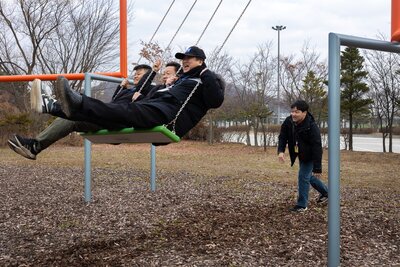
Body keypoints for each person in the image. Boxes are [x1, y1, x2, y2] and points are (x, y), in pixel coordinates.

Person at [7, 60, 174, 160]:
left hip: (123, 122)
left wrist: (152, 72)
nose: (136, 76)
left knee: (88, 107)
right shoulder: (130, 89)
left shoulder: (149, 88)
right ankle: (35, 146)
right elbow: (114, 103)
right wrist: (121, 89)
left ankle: (54, 105)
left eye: (140, 74)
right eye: (135, 74)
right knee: (68, 119)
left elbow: (147, 103)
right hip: (109, 118)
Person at [277, 100, 328, 212]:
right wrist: (281, 151)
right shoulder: (289, 121)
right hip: (299, 152)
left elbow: (317, 147)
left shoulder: (311, 126)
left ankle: (302, 205)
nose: (293, 114)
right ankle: (327, 193)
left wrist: (317, 167)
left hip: (309, 155)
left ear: (304, 112)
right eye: (292, 111)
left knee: (303, 176)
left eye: (297, 112)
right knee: (308, 176)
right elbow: (282, 136)